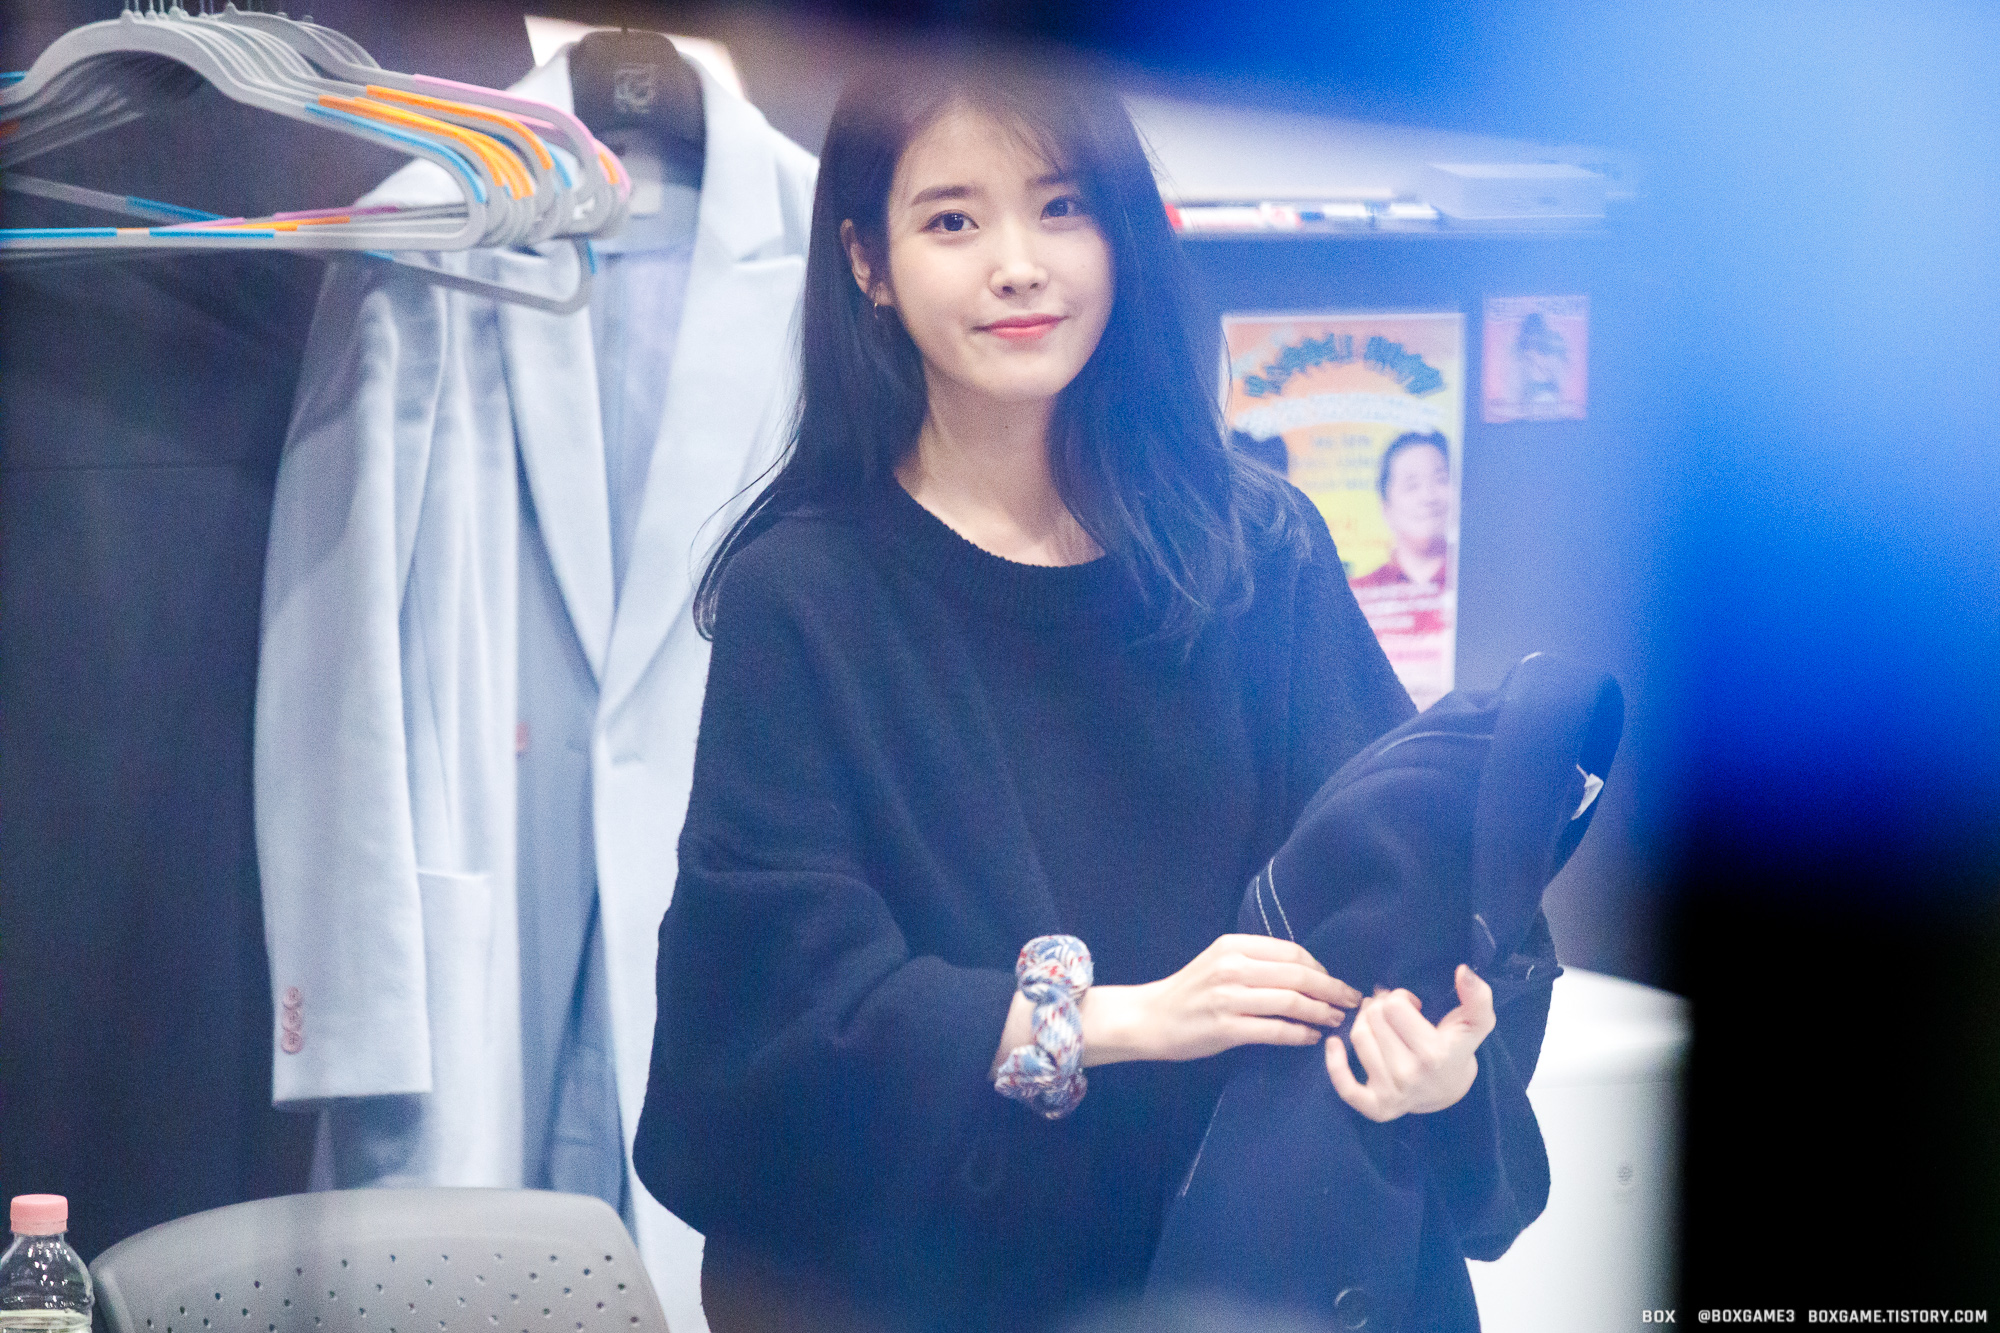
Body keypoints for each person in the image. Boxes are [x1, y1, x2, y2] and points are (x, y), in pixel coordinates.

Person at [632, 58, 1530, 1333]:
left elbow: (1406, 870)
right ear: (867, 262)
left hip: (1258, 1261)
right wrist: (1113, 1019)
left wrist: (1436, 1064)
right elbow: (770, 1016)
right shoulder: (805, 594)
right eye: (952, 219)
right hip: (955, 1286)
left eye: (1061, 208)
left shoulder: (1254, 543)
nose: (1018, 265)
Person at [1353, 429, 1454, 592]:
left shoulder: (1483, 582)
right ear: (1386, 508)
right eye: (1412, 485)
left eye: (1440, 479)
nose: (1428, 497)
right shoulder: (1357, 594)